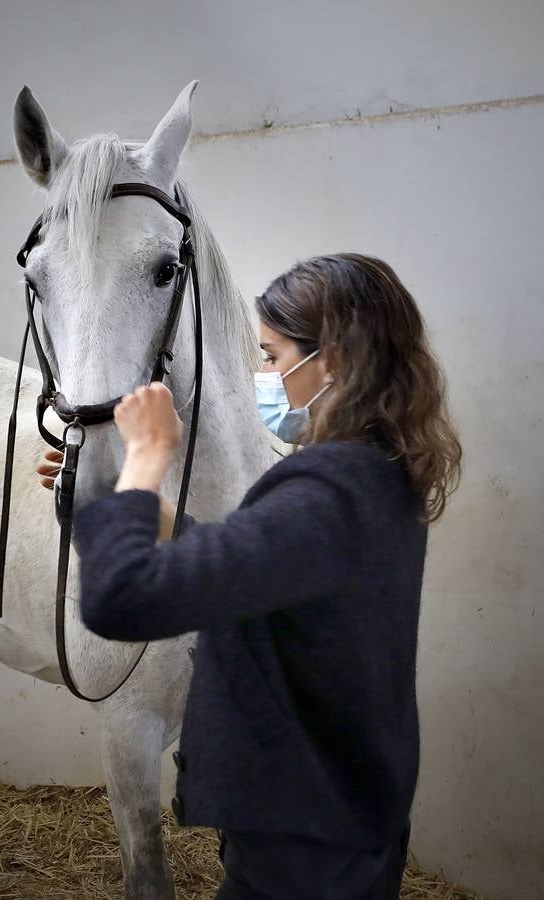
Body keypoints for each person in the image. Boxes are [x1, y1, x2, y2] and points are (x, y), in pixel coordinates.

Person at [36, 253, 462, 900]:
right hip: (343, 815)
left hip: (304, 843)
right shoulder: (372, 473)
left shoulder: (324, 491)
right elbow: (258, 569)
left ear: (335, 364)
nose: (262, 375)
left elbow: (120, 601)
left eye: (270, 355)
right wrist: (143, 506)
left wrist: (144, 460)